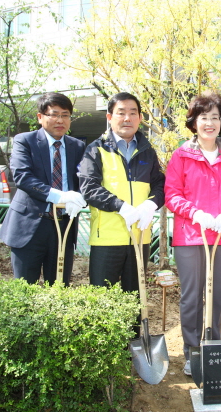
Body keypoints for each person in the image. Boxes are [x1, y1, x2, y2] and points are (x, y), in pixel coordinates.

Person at [165, 92, 221, 376]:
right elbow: (171, 194)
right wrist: (195, 212)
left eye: (215, 117)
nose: (210, 123)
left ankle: (214, 347)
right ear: (194, 122)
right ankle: (192, 351)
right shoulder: (182, 155)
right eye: (204, 117)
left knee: (218, 294)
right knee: (192, 295)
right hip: (190, 235)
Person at [79, 92, 165, 291]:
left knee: (136, 298)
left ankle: (136, 325)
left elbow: (160, 184)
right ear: (109, 117)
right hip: (106, 238)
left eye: (133, 113)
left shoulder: (147, 150)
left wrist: (150, 204)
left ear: (140, 118)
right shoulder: (96, 149)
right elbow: (89, 187)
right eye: (121, 113)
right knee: (103, 299)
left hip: (140, 236)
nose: (127, 118)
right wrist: (121, 207)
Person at [0, 92, 86, 285]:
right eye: (53, 114)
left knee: (58, 288)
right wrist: (58, 195)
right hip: (29, 226)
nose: (60, 120)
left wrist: (80, 198)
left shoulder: (77, 146)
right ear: (40, 117)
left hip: (63, 226)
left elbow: (84, 181)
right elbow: (23, 177)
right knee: (24, 289)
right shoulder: (25, 141)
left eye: (65, 115)